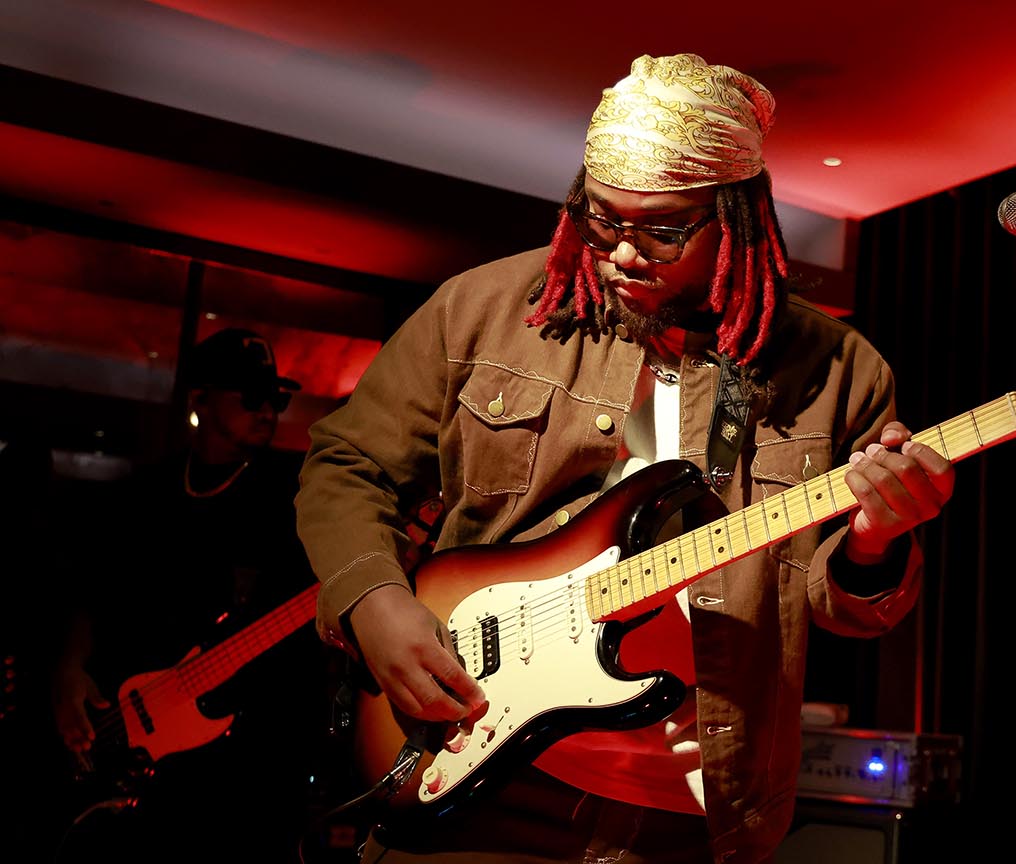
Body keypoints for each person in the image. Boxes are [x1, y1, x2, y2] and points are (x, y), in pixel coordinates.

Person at [295, 53, 956, 864]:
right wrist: (374, 606)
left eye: (664, 229)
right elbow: (346, 464)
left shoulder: (837, 370)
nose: (624, 252)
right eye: (602, 218)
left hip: (687, 812)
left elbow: (843, 604)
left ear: (738, 216)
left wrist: (874, 542)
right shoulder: (482, 311)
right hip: (468, 766)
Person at [49, 327, 332, 863]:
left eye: (276, 398)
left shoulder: (295, 498)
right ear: (199, 399)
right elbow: (89, 589)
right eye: (250, 396)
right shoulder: (145, 494)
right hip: (133, 756)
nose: (268, 409)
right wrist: (69, 668)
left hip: (244, 774)